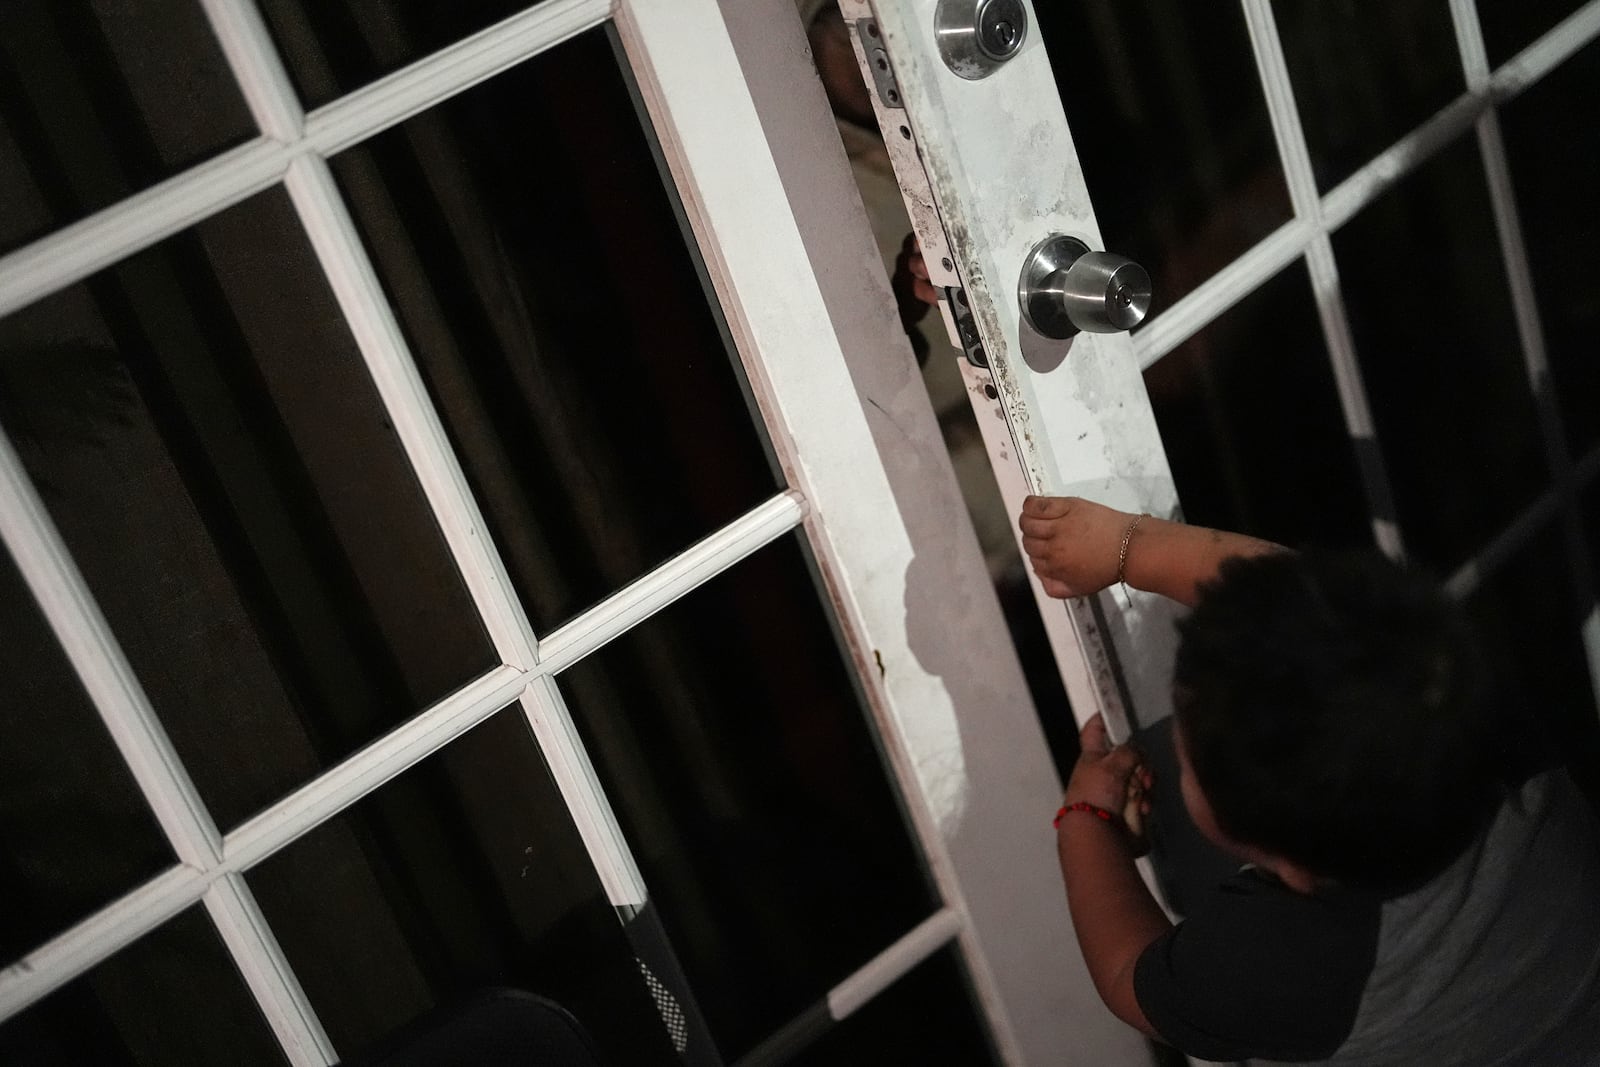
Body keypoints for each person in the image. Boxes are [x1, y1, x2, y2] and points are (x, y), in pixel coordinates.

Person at [1021, 494, 1600, 1064]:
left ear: (1283, 865)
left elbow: (1128, 975)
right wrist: (1128, 546)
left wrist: (1086, 823)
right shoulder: (1498, 742)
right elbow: (1320, 614)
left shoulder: (1293, 965)